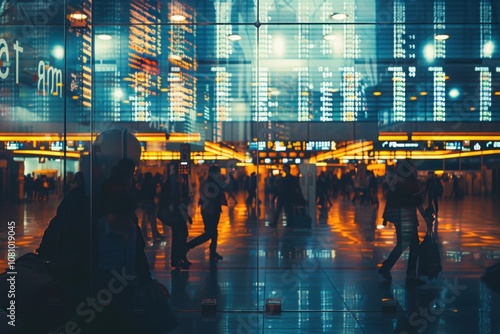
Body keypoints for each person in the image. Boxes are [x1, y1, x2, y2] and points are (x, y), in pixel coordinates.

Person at [378, 159, 433, 286]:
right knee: (412, 246)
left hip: (398, 218)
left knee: (403, 244)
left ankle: (386, 268)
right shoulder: (410, 182)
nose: (415, 169)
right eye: (413, 167)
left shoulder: (396, 182)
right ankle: (409, 275)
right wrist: (427, 218)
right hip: (407, 219)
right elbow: (417, 202)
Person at [186, 165, 227, 261]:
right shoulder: (207, 183)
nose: (219, 174)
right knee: (209, 233)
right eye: (218, 172)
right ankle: (188, 245)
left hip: (215, 210)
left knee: (214, 232)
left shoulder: (215, 183)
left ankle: (213, 252)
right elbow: (209, 196)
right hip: (208, 211)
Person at [159, 163, 192, 269]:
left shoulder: (176, 180)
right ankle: (178, 258)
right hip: (174, 213)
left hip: (175, 213)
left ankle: (177, 258)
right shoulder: (175, 181)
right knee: (180, 235)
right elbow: (176, 199)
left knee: (179, 235)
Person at [140, 172, 163, 240]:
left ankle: (144, 234)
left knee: (145, 220)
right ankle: (155, 234)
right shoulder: (151, 184)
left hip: (145, 202)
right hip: (151, 202)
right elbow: (154, 193)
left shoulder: (143, 184)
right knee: (152, 219)